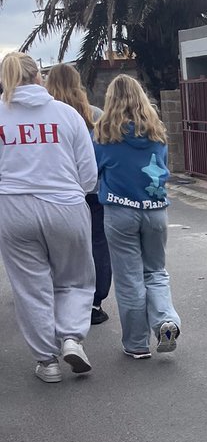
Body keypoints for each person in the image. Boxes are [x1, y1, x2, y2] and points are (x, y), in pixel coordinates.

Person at [0, 50, 97, 382]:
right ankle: (71, 336)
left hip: (13, 207)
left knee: (31, 286)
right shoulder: (66, 115)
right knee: (75, 278)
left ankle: (47, 361)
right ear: (38, 77)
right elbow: (88, 174)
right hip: (65, 204)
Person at [94, 74, 181, 360]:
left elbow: (93, 173)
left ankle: (136, 344)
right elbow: (162, 169)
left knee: (130, 278)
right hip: (155, 212)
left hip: (120, 212)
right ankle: (165, 320)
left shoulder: (104, 135)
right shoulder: (157, 133)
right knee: (156, 271)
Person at [44, 63, 111, 326]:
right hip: (93, 191)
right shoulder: (95, 115)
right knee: (98, 244)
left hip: (57, 193)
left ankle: (59, 301)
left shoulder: (47, 119)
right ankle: (95, 302)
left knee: (55, 249)